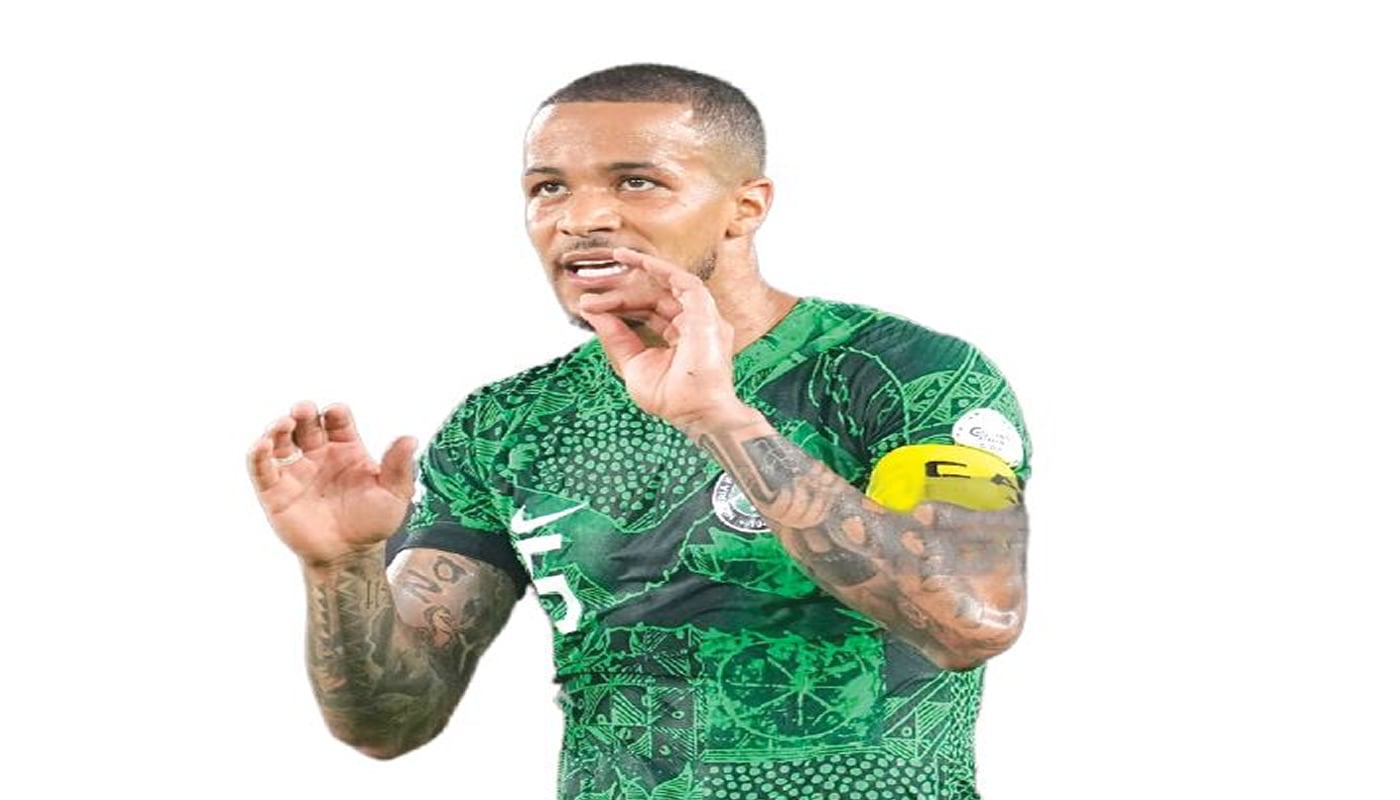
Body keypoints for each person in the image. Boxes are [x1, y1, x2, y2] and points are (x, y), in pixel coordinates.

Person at [247, 63, 1032, 800]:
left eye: (637, 182)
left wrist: (718, 417)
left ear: (746, 206)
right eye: (548, 188)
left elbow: (972, 618)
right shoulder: (506, 424)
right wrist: (340, 566)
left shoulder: (903, 374)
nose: (581, 218)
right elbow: (391, 722)